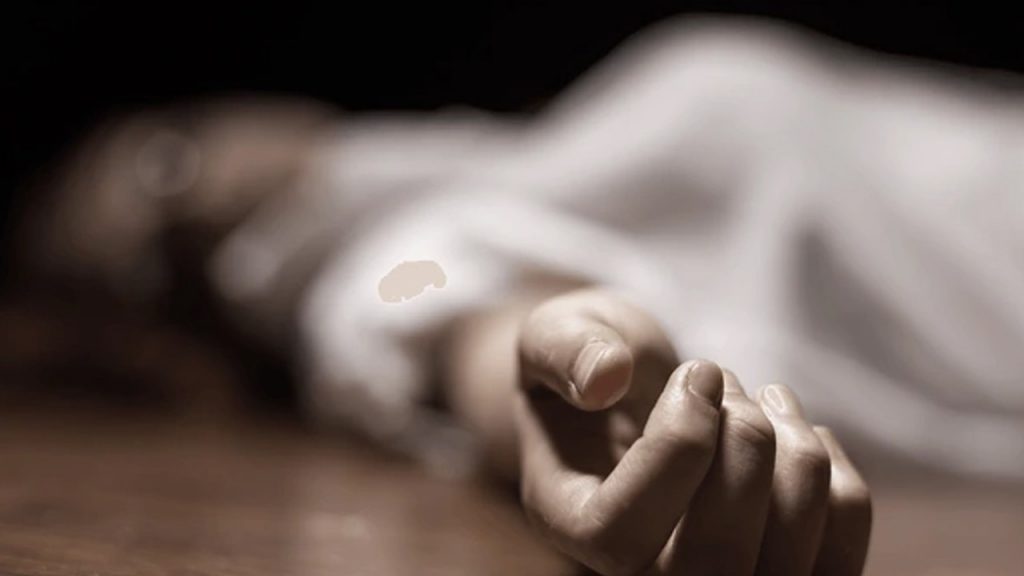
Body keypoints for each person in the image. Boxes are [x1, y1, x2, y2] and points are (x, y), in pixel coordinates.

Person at [18, 14, 1024, 575]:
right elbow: (439, 291)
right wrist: (559, 373)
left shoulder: (507, 151)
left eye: (172, 143)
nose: (205, 173)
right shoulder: (382, 250)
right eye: (159, 209)